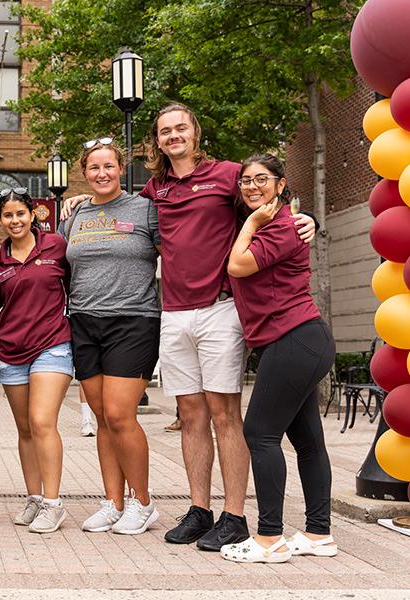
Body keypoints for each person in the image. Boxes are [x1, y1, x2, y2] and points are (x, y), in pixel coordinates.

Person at [64, 103, 317, 550]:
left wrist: (305, 218)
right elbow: (115, 210)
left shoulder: (228, 175)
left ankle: (234, 516)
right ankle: (200, 510)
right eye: (165, 131)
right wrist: (85, 201)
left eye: (181, 127)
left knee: (225, 416)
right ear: (157, 141)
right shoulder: (155, 191)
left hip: (220, 309)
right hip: (174, 313)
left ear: (195, 133)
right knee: (190, 415)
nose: (173, 135)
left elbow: (268, 200)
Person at [221, 154, 336, 563]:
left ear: (281, 184)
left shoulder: (279, 227)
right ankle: (319, 533)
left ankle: (269, 537)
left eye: (262, 179)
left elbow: (237, 265)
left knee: (259, 434)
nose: (253, 187)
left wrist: (251, 224)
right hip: (300, 341)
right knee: (307, 440)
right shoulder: (280, 223)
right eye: (246, 181)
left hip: (295, 339)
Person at [57, 137, 162, 535]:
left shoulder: (145, 210)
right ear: (84, 173)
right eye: (94, 168)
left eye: (109, 166)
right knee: (102, 417)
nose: (102, 173)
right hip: (84, 321)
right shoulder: (75, 216)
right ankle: (113, 502)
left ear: (121, 169)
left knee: (120, 414)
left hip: (133, 320)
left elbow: (178, 250)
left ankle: (144, 502)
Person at [0, 187, 73, 534]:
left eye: (20, 213)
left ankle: (54, 504)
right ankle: (35, 498)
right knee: (25, 429)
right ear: (0, 220)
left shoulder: (56, 245)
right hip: (12, 349)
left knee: (42, 422)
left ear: (33, 214)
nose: (15, 220)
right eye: (7, 215)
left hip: (53, 345)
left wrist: (79, 201)